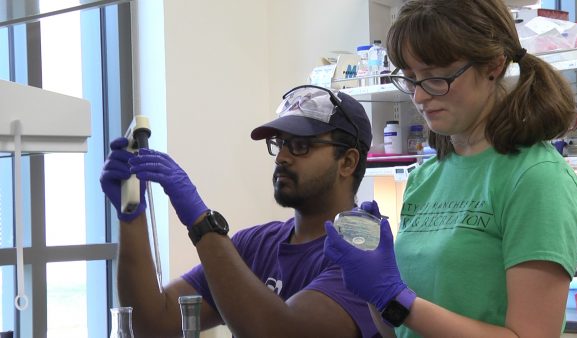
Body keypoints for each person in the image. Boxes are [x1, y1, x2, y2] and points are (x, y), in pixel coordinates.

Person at [323, 1, 577, 338]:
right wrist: (371, 285)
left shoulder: (537, 179)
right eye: (410, 78)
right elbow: (401, 328)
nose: (420, 96)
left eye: (436, 76)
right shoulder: (425, 178)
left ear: (493, 65)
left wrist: (396, 297)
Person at [100, 84, 382, 337]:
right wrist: (131, 213)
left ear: (347, 162)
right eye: (280, 144)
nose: (282, 157)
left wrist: (201, 222)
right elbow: (153, 322)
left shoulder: (363, 256)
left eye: (300, 146)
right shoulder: (254, 245)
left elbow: (277, 332)